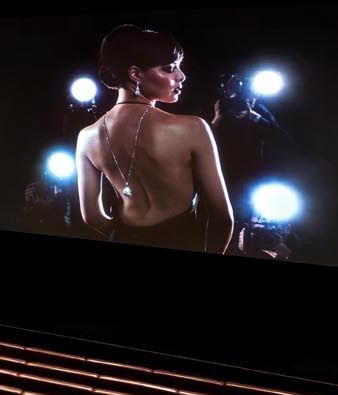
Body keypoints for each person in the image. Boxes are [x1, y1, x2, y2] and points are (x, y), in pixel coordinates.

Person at [75, 25, 234, 253]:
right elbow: (222, 217)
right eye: (169, 68)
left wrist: (125, 235)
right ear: (136, 74)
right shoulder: (191, 128)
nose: (181, 76)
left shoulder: (87, 137)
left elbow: (91, 217)